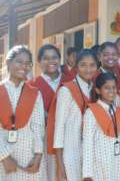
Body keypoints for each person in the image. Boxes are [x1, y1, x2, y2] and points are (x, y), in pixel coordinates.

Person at [0, 45, 47, 180]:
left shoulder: (34, 93)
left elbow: (38, 127)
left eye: (28, 63)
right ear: (8, 63)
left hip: (29, 156)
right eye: (19, 61)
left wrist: (38, 155)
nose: (24, 66)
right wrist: (4, 157)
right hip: (4, 157)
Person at [50, 49, 98, 181]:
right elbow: (58, 128)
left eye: (92, 65)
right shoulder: (66, 90)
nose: (88, 69)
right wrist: (60, 165)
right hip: (71, 152)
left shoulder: (96, 90)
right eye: (83, 65)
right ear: (76, 67)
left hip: (91, 151)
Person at [30, 44, 68, 181]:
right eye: (45, 58)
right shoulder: (31, 85)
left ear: (60, 59)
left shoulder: (69, 81)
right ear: (39, 62)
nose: (50, 61)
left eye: (54, 57)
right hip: (43, 136)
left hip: (67, 136)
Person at [82, 72, 120, 181]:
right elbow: (87, 144)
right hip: (98, 165)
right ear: (98, 90)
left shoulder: (117, 111)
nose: (111, 91)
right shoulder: (91, 112)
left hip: (115, 163)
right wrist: (87, 175)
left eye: (113, 87)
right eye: (107, 88)